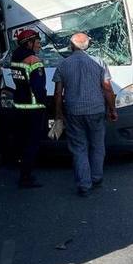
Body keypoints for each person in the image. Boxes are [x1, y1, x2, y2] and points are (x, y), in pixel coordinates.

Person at [53, 32, 118, 196]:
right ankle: (96, 178)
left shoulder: (63, 64)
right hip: (96, 109)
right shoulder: (99, 62)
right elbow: (107, 88)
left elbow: (58, 93)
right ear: (87, 45)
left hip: (74, 111)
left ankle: (84, 184)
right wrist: (112, 109)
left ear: (71, 45)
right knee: (97, 145)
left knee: (79, 148)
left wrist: (58, 114)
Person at [10, 28, 48, 188]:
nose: (39, 45)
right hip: (34, 107)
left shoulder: (15, 58)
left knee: (22, 140)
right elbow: (38, 87)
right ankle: (26, 177)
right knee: (32, 142)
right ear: (29, 43)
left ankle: (22, 170)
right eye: (37, 42)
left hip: (20, 105)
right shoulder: (34, 60)